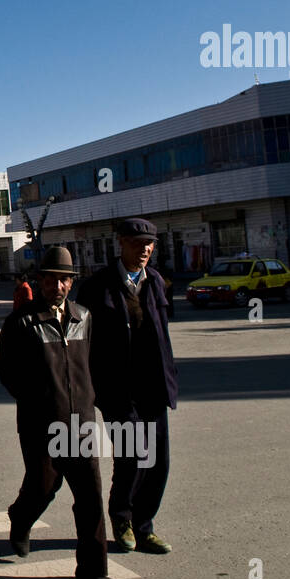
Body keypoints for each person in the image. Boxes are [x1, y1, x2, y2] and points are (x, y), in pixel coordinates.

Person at [0, 246, 113, 579]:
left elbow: (93, 364)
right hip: (40, 424)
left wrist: (92, 401)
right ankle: (21, 517)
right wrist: (38, 400)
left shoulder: (84, 317)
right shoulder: (21, 321)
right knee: (43, 487)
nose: (57, 286)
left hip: (82, 424)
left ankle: (93, 570)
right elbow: (6, 370)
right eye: (50, 279)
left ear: (71, 283)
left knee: (91, 495)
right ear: (40, 281)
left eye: (63, 280)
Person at [75, 218, 178, 556]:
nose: (145, 249)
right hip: (117, 388)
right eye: (138, 243)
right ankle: (122, 519)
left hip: (153, 387)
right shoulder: (96, 287)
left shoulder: (157, 282)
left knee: (157, 460)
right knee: (131, 455)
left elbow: (163, 335)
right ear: (120, 243)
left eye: (150, 243)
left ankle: (145, 525)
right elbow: (81, 340)